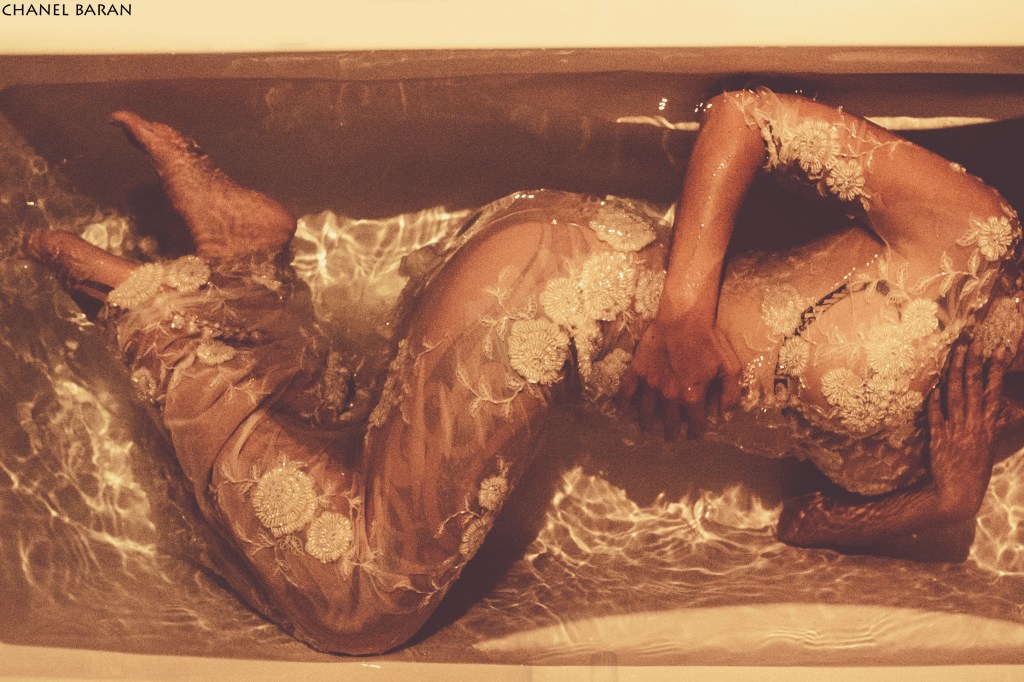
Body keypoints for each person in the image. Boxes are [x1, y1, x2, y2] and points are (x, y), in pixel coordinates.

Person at [22, 89, 1020, 655]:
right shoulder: (972, 235)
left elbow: (800, 525)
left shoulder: (994, 426)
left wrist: (946, 499)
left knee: (347, 469)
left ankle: (245, 262)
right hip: (550, 285)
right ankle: (163, 316)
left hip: (546, 367)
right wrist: (682, 314)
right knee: (362, 604)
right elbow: (745, 116)